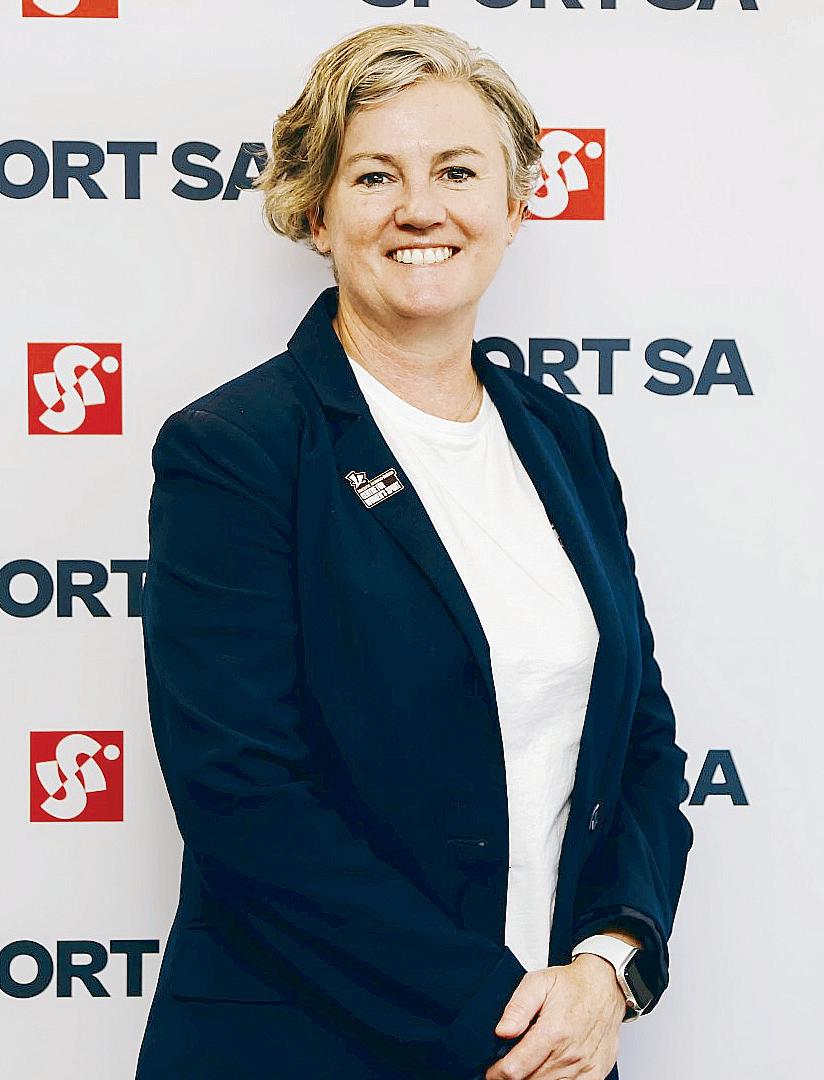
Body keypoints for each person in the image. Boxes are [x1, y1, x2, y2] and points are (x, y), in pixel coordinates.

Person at [135, 23, 694, 1080]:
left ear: (515, 204)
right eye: (374, 175)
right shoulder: (237, 449)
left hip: (559, 1046)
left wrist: (606, 968)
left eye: (457, 171)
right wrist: (501, 1013)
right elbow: (242, 796)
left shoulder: (564, 439)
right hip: (311, 1047)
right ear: (315, 212)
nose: (421, 208)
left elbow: (641, 744)